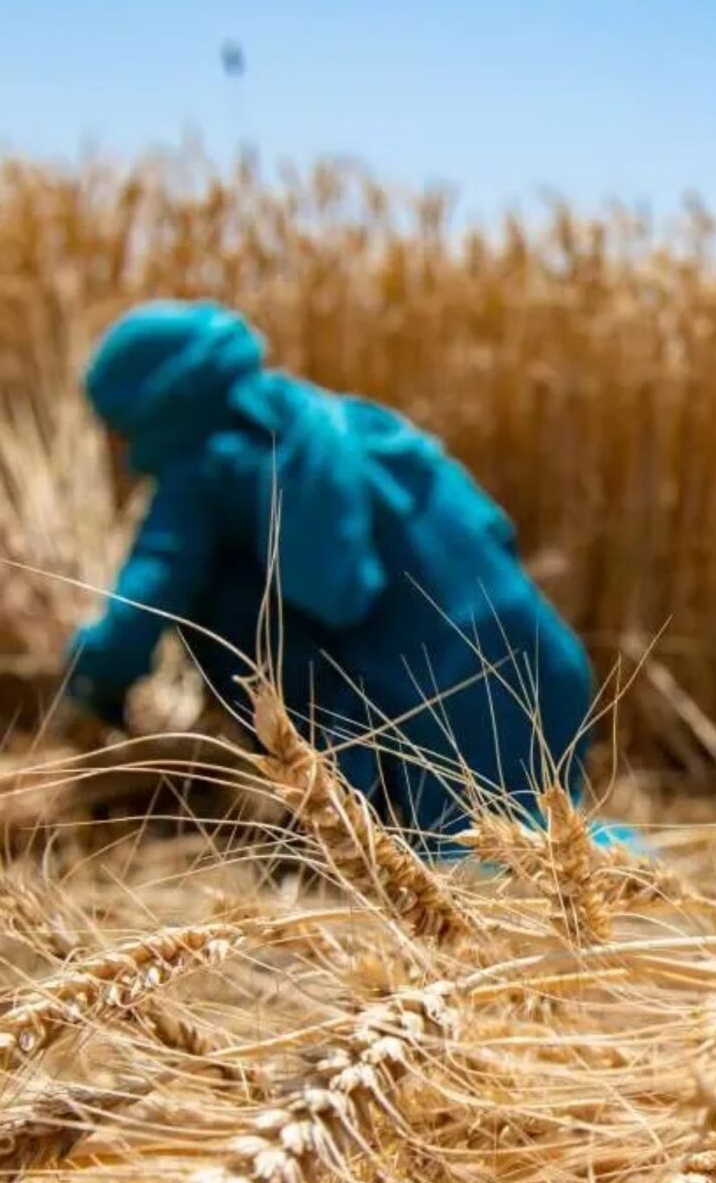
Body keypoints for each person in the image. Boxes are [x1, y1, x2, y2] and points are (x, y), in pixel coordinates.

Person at [61, 300, 602, 856]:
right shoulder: (341, 423)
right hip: (543, 663)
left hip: (434, 701)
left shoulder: (208, 462)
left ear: (154, 404)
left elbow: (146, 603)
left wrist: (82, 690)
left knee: (475, 874)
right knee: (548, 852)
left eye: (118, 429)